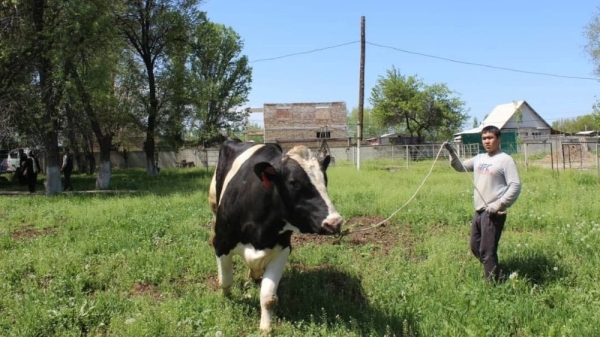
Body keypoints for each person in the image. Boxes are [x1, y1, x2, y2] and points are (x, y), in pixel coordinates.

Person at [443, 125, 521, 282]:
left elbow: (515, 185)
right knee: (475, 246)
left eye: (490, 138)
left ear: (498, 139)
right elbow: (460, 167)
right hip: (479, 211)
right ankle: (498, 273)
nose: (487, 141)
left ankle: (493, 284)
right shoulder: (479, 159)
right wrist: (451, 152)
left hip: (493, 212)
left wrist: (499, 204)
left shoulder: (505, 160)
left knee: (487, 250)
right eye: (484, 138)